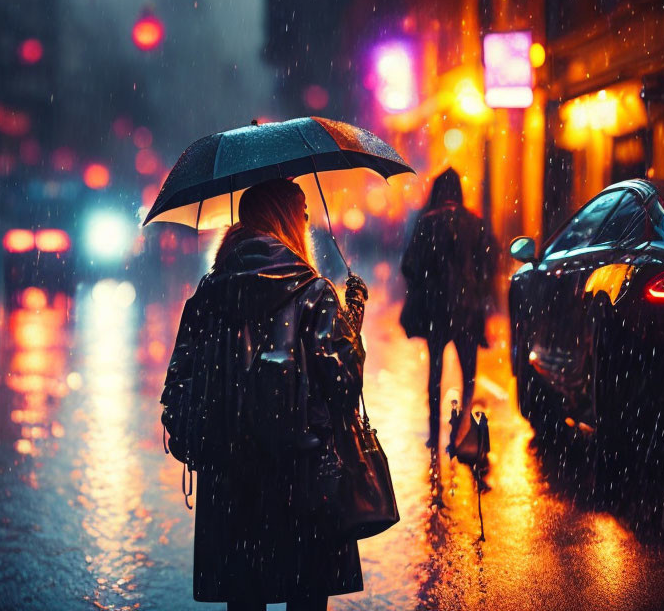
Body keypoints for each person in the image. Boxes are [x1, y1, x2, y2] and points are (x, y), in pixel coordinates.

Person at [163, 178, 369, 611]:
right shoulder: (314, 293)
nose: (309, 222)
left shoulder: (209, 294)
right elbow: (343, 386)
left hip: (231, 481)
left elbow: (180, 381)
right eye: (304, 213)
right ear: (287, 219)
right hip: (303, 480)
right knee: (305, 595)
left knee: (245, 597)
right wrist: (352, 323)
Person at [400, 168, 498, 453]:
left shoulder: (426, 223)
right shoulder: (475, 223)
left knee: (435, 374)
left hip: (436, 310)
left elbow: (409, 266)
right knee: (468, 375)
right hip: (468, 311)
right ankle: (461, 431)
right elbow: (489, 266)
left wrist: (428, 281)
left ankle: (434, 433)